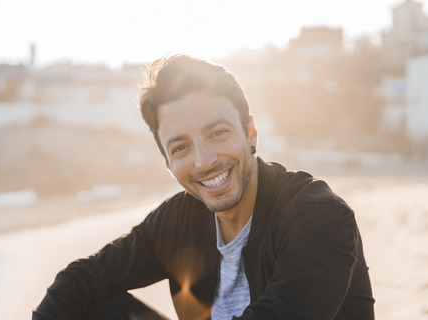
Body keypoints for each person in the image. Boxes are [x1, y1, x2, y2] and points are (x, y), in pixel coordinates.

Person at [33, 55, 375, 320]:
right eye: (181, 147)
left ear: (250, 133)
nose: (204, 161)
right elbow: (80, 279)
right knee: (95, 307)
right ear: (168, 164)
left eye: (217, 133)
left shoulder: (318, 215)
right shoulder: (177, 220)